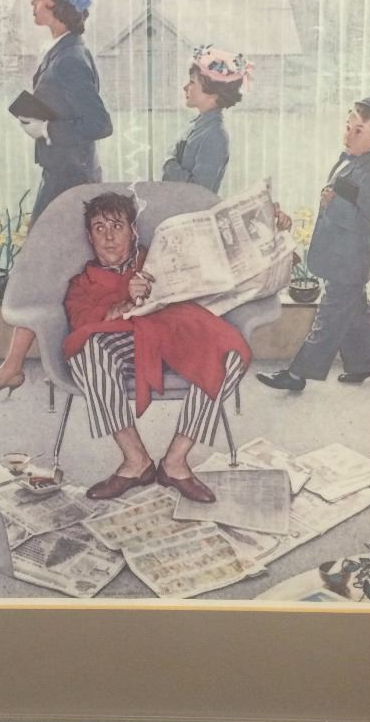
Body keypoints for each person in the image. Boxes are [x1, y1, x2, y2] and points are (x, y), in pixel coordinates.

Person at [0, 0, 112, 396]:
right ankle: (17, 365)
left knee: (42, 272)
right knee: (47, 274)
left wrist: (48, 129)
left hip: (70, 184)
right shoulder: (63, 50)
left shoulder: (70, 58)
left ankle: (21, 366)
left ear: (57, 5)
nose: (33, 3)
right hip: (63, 176)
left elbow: (100, 124)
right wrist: (43, 124)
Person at [64, 192, 251, 503]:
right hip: (125, 347)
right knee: (86, 349)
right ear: (89, 237)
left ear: (133, 231)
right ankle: (135, 461)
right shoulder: (80, 284)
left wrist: (274, 226)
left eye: (117, 226)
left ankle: (175, 463)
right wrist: (123, 304)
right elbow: (82, 324)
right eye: (99, 228)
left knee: (231, 356)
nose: (109, 237)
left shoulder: (158, 260)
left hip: (176, 337)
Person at [256, 97, 370, 393]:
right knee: (355, 312)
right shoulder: (349, 162)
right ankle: (366, 363)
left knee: (328, 319)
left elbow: (367, 224)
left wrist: (334, 205)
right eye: (348, 127)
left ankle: (298, 374)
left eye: (358, 131)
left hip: (350, 263)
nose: (348, 135)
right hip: (341, 258)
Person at [161, 44, 251, 193]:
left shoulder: (215, 135)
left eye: (192, 82)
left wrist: (169, 163)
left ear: (213, 92)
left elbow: (199, 192)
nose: (185, 87)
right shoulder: (198, 126)